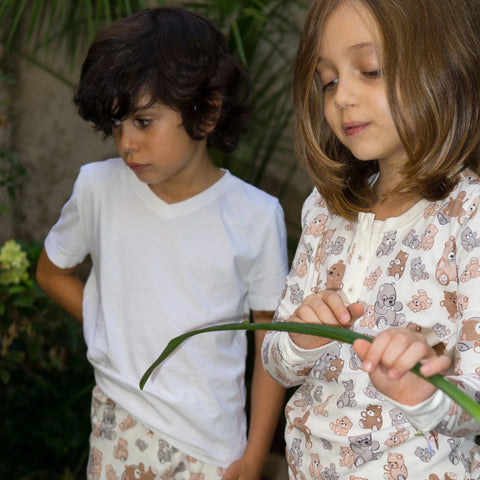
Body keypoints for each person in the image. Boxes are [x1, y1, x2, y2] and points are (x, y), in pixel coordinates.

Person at [36, 7, 288, 480]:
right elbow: (51, 273)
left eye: (144, 121)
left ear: (208, 109)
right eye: (115, 125)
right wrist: (115, 329)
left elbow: (270, 343)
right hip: (117, 428)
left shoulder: (256, 215)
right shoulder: (97, 188)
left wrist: (255, 456)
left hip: (213, 449)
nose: (126, 142)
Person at [262, 0, 480, 478]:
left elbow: (476, 400)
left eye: (370, 70)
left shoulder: (470, 214)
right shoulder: (324, 207)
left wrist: (424, 392)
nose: (341, 97)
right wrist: (299, 336)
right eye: (329, 80)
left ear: (446, 64)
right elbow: (276, 362)